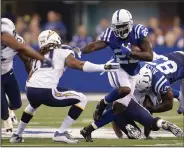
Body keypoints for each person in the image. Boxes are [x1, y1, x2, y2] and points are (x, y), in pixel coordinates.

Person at [75, 9, 183, 142]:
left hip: (134, 72)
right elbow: (93, 46)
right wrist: (79, 50)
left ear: (130, 24)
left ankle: (88, 130)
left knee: (120, 107)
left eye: (123, 27)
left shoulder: (138, 32)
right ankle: (103, 104)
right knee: (124, 90)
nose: (120, 31)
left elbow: (148, 55)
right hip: (118, 67)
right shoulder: (110, 34)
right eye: (117, 27)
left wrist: (130, 53)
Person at [10, 30, 119, 144]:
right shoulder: (62, 50)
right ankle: (60, 133)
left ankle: (17, 135)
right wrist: (103, 67)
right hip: (47, 91)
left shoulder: (38, 54)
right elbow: (78, 64)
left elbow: (30, 76)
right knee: (82, 99)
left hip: (31, 90)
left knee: (32, 105)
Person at [1, 18, 52, 134]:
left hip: (8, 73)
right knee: (2, 109)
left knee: (16, 104)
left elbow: (26, 60)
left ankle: (10, 111)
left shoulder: (17, 41)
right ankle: (6, 118)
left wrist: (31, 77)